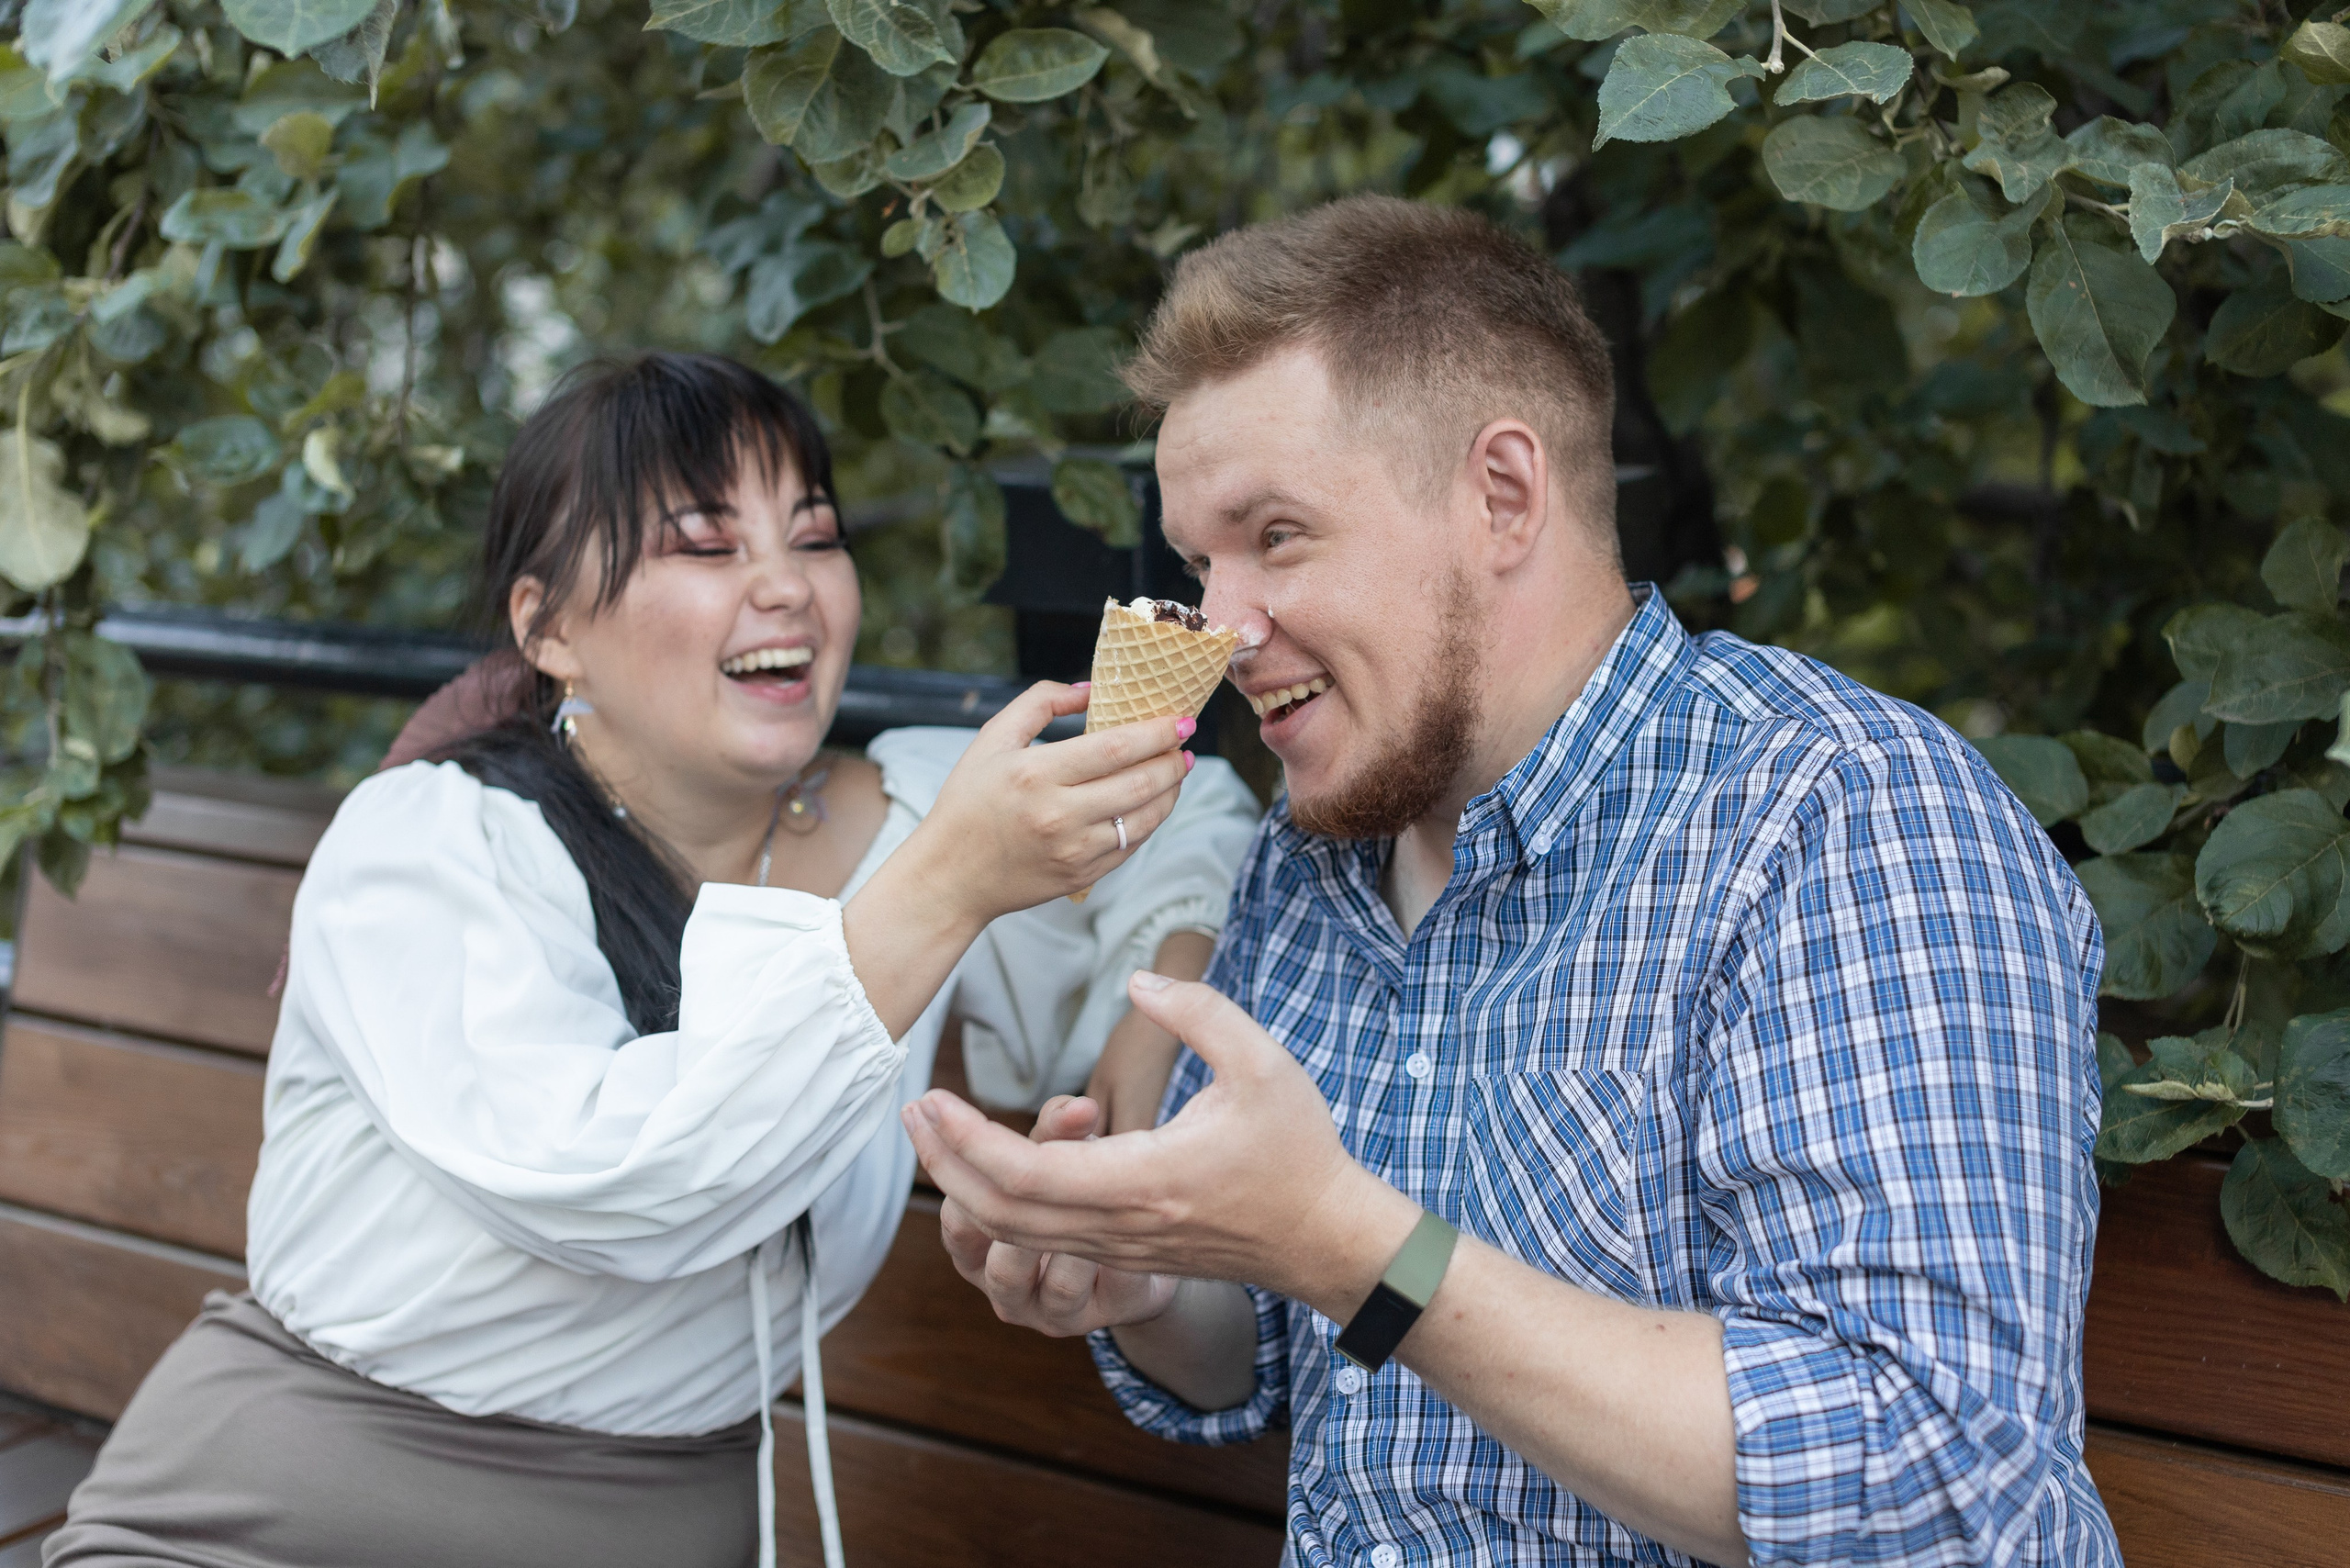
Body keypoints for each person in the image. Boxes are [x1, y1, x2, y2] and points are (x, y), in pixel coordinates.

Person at [905, 196, 2121, 1567]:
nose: (1222, 629)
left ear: (1502, 494)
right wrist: (1140, 1278)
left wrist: (1351, 1245)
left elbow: (1934, 1485)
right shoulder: (1315, 854)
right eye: (1199, 561)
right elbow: (1262, 1346)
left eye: (1279, 536)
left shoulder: (1845, 821)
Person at [46, 353, 1260, 1568]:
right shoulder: (430, 843)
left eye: (815, 535)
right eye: (705, 545)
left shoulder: (915, 808)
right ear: (550, 626)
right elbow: (621, 1183)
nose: (787, 587)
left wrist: (1136, 1083)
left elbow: (1190, 832)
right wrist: (943, 890)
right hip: (266, 1529)